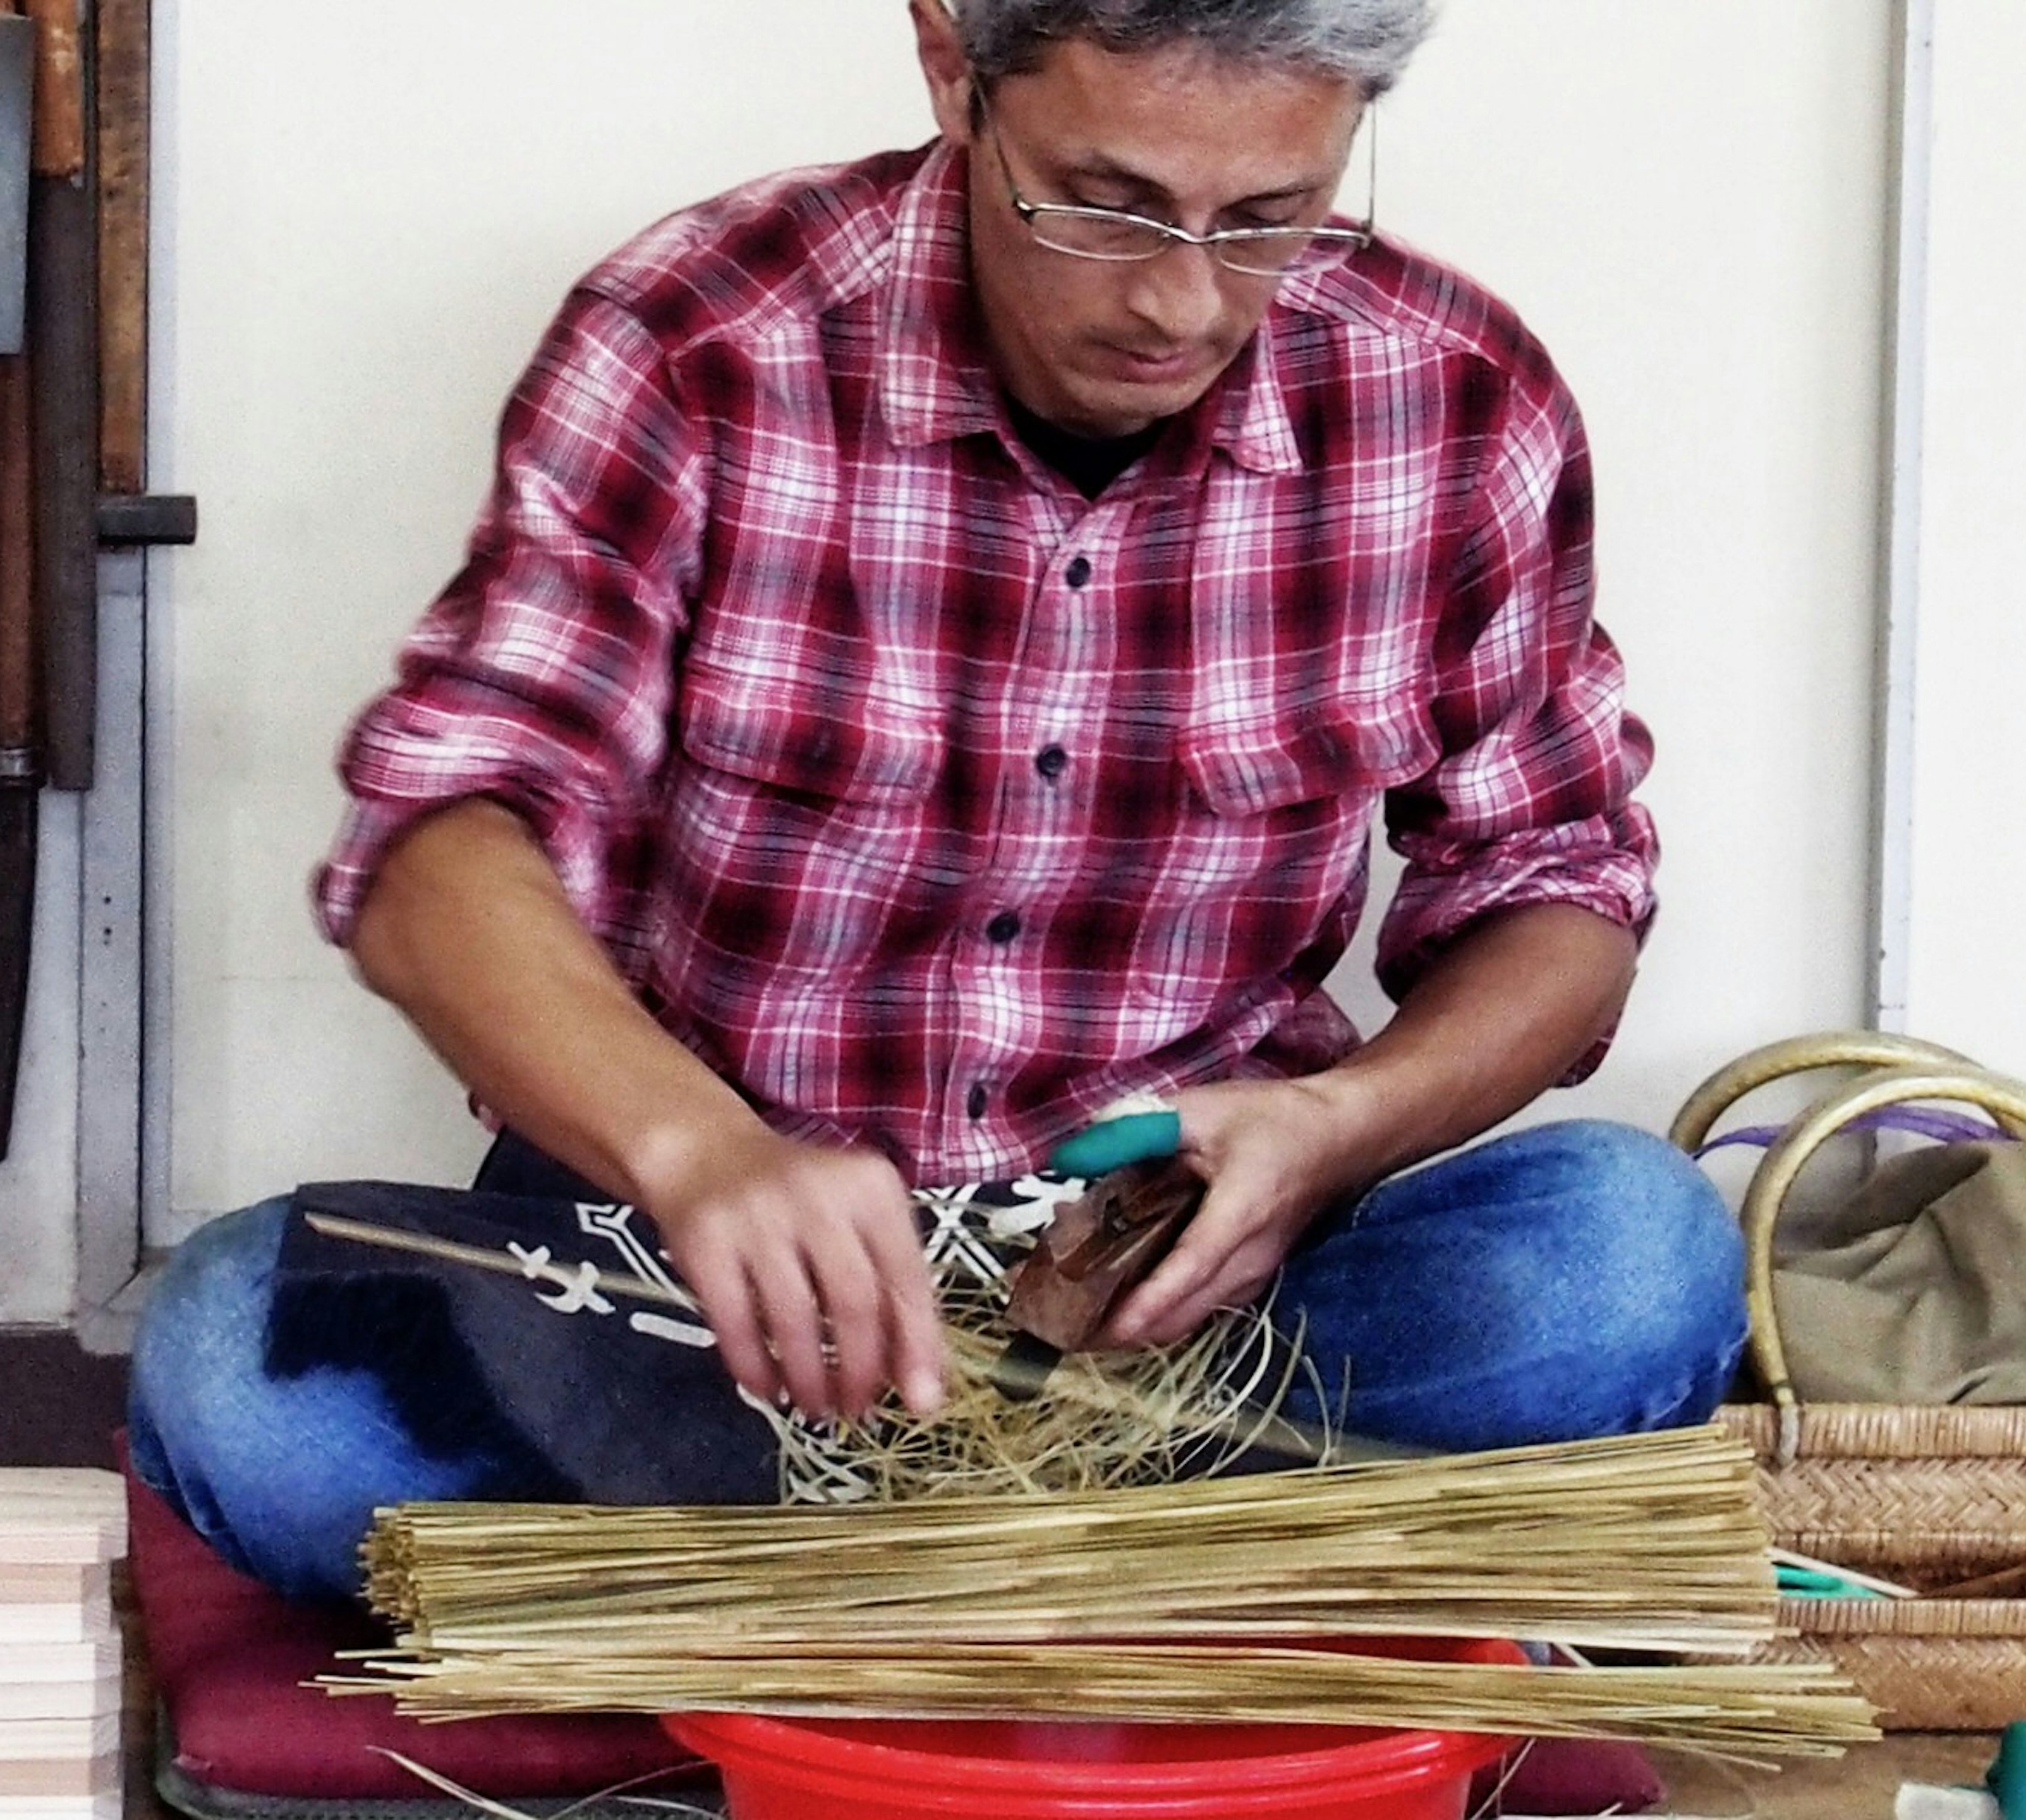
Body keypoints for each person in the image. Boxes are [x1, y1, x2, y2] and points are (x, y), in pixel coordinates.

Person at [131, 0, 1747, 1605]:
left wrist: (1337, 1133)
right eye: (1103, 203)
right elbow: (442, 842)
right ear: (949, 65)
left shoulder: (1454, 394)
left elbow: (1564, 888)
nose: (1181, 300)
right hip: (713, 1303)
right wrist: (702, 1156)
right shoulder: (697, 335)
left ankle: (831, 1600)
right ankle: (1168, 1588)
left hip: (1198, 1313)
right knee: (237, 1362)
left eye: (1269, 220)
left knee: (1632, 1259)